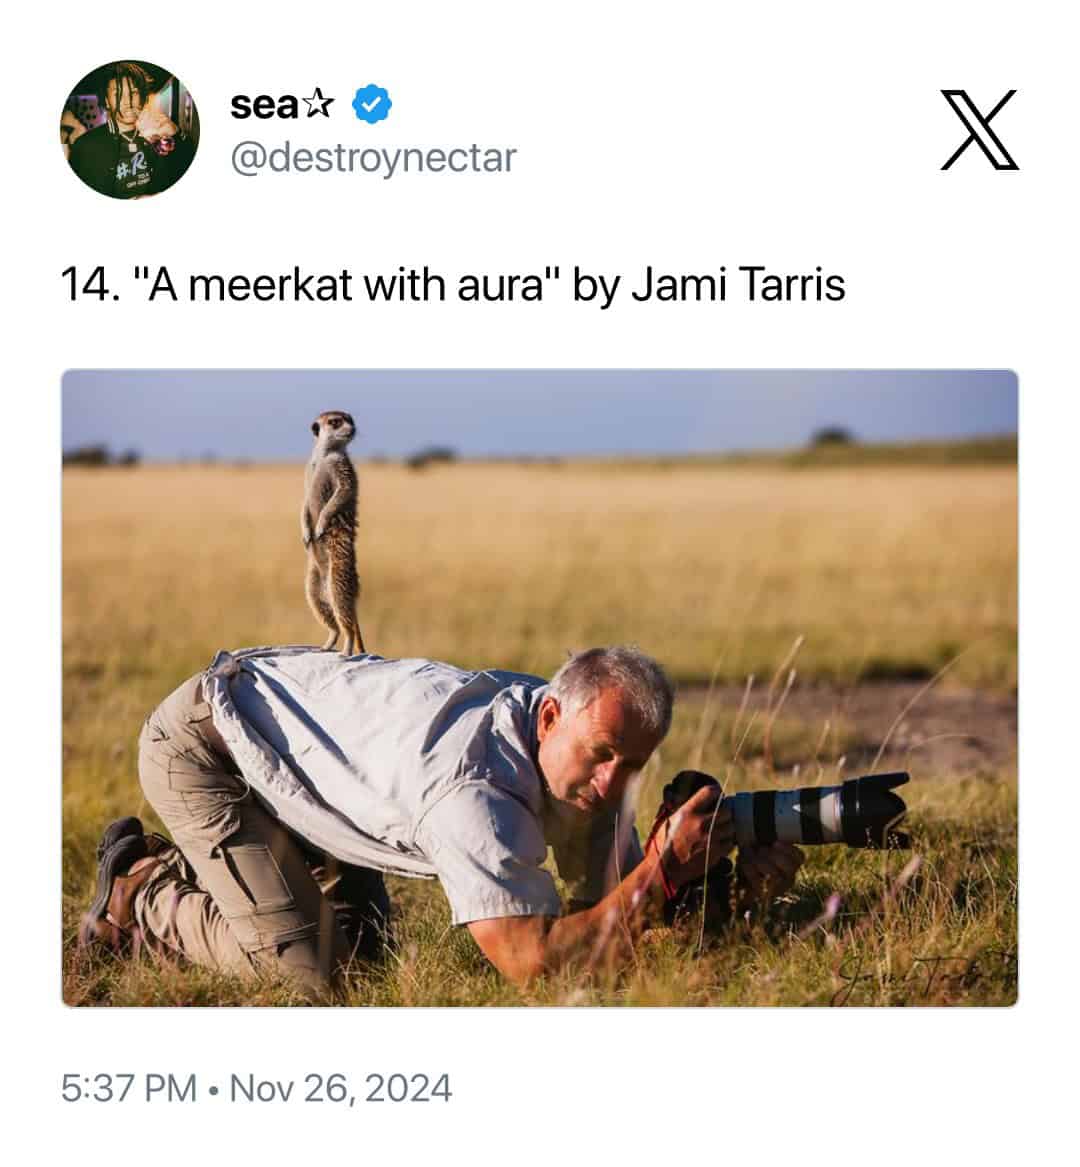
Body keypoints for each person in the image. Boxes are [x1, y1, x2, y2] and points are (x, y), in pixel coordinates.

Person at [80, 645, 804, 997]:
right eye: (604, 755)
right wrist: (662, 871)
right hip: (208, 747)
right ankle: (142, 888)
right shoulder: (474, 791)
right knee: (313, 979)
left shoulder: (570, 746)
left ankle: (232, 869)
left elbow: (612, 919)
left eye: (636, 763)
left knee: (366, 961)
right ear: (550, 715)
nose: (615, 783)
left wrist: (731, 890)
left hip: (312, 765)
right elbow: (534, 962)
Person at [67, 62, 196, 198]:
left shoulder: (156, 134)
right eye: (118, 94)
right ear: (107, 101)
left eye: (134, 92)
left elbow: (183, 168)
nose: (127, 102)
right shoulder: (85, 146)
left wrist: (176, 133)